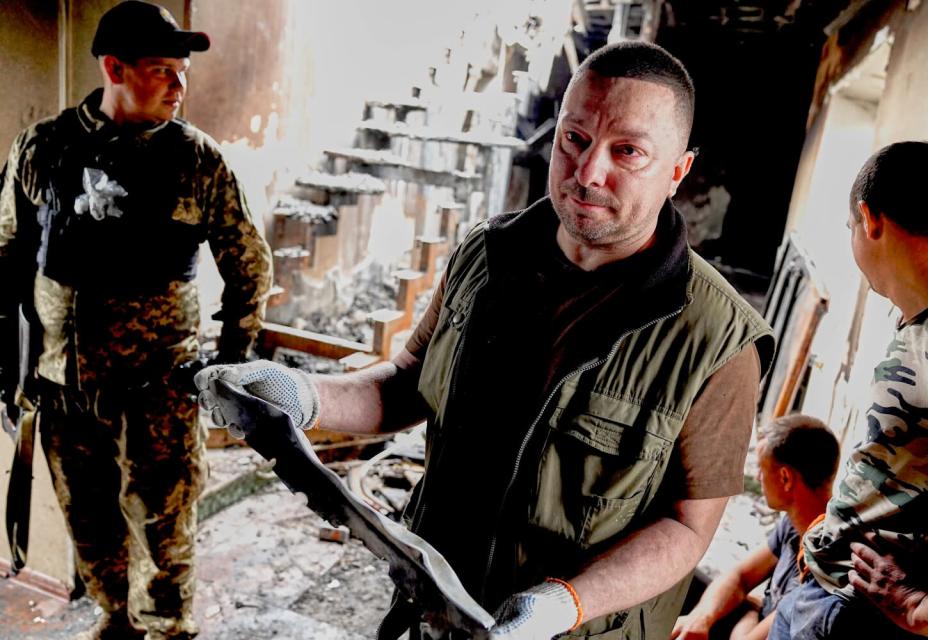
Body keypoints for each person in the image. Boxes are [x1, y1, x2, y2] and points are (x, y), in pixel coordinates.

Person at [197, 40, 774, 640]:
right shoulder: (486, 255)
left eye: (627, 152)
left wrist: (563, 603)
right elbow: (407, 382)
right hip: (434, 604)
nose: (587, 172)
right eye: (574, 139)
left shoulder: (716, 339)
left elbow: (687, 528)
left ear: (677, 171)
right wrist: (302, 394)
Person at [0, 2, 273, 638]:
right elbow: (6, 253)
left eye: (183, 72)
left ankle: (166, 630)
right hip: (63, 383)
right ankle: (113, 620)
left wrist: (227, 365)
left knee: (164, 525)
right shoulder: (44, 147)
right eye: (162, 71)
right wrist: (6, 360)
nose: (180, 87)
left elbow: (248, 266)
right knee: (89, 522)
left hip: (160, 387)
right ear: (114, 68)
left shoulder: (197, 161)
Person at [768, 141, 928, 640]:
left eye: (851, 230)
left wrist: (921, 610)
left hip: (857, 619)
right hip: (830, 600)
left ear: (869, 218)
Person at [671, 414, 840, 640]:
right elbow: (741, 577)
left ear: (785, 478)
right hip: (752, 623)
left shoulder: (826, 560)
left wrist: (750, 612)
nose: (758, 477)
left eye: (762, 469)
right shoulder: (795, 523)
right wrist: (702, 617)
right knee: (678, 577)